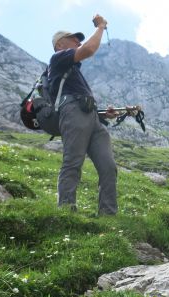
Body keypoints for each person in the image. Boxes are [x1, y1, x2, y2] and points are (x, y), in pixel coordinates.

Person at [49, 14, 118, 215]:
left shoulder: (73, 71)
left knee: (108, 167)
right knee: (73, 162)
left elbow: (84, 103)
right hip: (72, 113)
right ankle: (66, 211)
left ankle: (108, 215)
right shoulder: (57, 59)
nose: (78, 41)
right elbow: (88, 49)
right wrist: (101, 27)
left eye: (78, 39)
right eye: (73, 39)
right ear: (60, 45)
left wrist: (104, 115)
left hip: (91, 118)